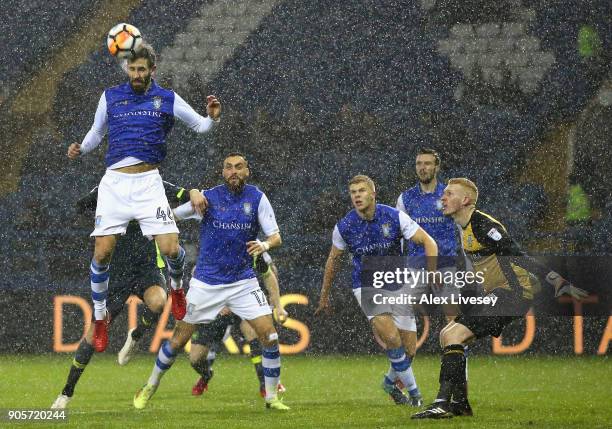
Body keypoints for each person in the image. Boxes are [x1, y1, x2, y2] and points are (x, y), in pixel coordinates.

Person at [66, 42, 220, 353]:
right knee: (102, 253)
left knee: (171, 248)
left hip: (149, 182)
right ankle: (99, 318)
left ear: (152, 70)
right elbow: (97, 132)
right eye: (132, 69)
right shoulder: (110, 97)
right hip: (115, 184)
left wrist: (213, 118)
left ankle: (177, 290)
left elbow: (200, 126)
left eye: (142, 69)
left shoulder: (166, 98)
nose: (137, 74)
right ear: (128, 70)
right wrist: (82, 147)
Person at [412, 178, 588, 419]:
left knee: (453, 334)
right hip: (496, 293)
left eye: (449, 193)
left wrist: (556, 281)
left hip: (513, 294)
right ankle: (461, 405)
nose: (442, 197)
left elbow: (517, 254)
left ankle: (441, 403)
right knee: (447, 335)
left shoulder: (483, 224)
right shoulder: (463, 228)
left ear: (465, 200)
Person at [133, 152, 289, 411]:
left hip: (243, 283)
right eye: (228, 167)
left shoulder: (257, 198)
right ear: (223, 172)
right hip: (206, 284)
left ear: (247, 171)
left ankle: (272, 397)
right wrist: (185, 199)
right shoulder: (208, 199)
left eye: (239, 167)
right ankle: (150, 385)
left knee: (270, 336)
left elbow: (276, 237)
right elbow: (172, 215)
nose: (233, 172)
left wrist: (263, 244)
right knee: (178, 340)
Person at [51, 180, 200, 409]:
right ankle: (66, 392)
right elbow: (81, 205)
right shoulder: (109, 185)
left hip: (146, 266)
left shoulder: (152, 182)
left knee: (159, 302)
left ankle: (136, 336)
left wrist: (193, 192)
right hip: (116, 271)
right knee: (93, 334)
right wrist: (99, 201)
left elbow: (182, 194)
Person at [316, 175, 438, 407]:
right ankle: (415, 396)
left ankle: (389, 383)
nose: (357, 196)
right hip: (366, 285)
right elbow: (333, 260)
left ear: (373, 193)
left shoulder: (393, 216)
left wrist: (432, 271)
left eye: (361, 191)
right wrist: (324, 295)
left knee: (410, 350)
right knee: (391, 337)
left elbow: (429, 241)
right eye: (353, 192)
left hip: (397, 282)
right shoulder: (344, 226)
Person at [190, 253, 288, 397]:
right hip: (219, 305)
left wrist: (273, 299)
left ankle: (267, 383)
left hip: (244, 300)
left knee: (255, 336)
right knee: (195, 359)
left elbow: (270, 269)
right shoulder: (214, 243)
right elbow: (196, 275)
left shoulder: (253, 242)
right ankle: (206, 375)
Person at [397, 149, 461, 321]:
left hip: (445, 263)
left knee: (452, 314)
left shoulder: (450, 195)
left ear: (437, 167)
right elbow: (400, 234)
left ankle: (458, 348)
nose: (422, 168)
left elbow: (462, 227)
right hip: (416, 265)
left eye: (427, 163)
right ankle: (403, 348)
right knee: (401, 309)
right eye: (419, 164)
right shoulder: (405, 198)